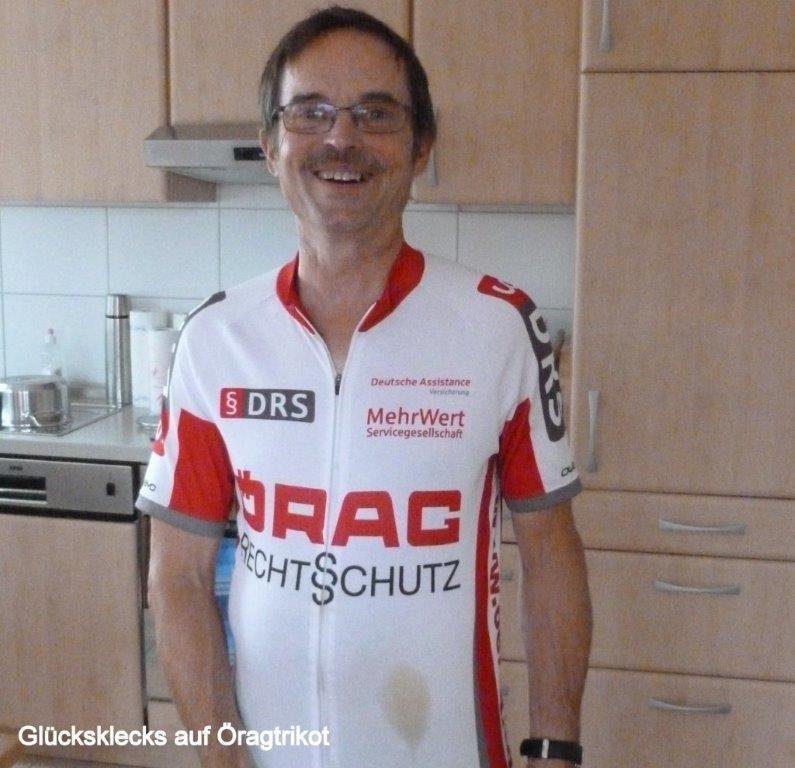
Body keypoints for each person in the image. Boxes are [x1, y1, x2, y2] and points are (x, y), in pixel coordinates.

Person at [137, 6, 592, 768]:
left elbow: (549, 556)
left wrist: (555, 747)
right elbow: (178, 576)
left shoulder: (498, 326)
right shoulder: (217, 339)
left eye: (375, 114)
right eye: (309, 112)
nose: (340, 138)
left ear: (420, 147)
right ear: (271, 145)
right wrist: (222, 757)